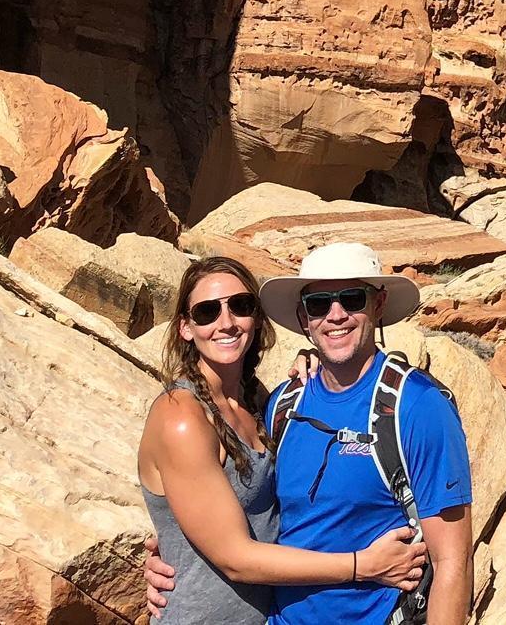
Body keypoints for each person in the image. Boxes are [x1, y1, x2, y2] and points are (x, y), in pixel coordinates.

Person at [147, 242, 474, 625]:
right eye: (320, 304)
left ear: (378, 305)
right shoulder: (282, 405)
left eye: (352, 299)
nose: (336, 316)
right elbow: (229, 546)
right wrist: (168, 547)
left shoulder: (417, 406)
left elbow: (453, 560)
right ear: (304, 317)